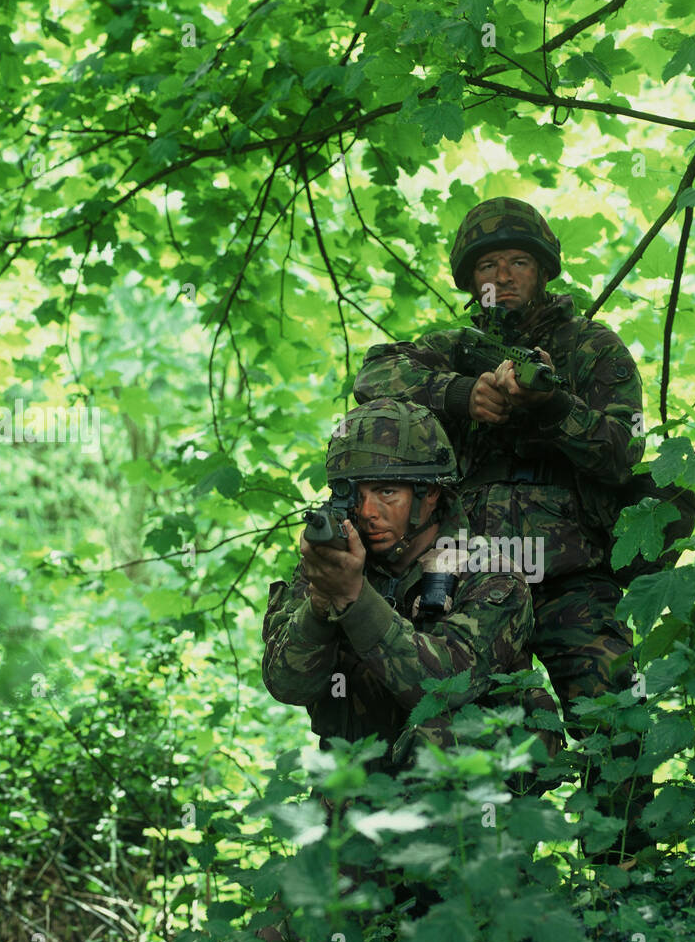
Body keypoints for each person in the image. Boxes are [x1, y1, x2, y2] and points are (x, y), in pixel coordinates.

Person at [353, 197, 653, 858]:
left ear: (543, 270)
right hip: (473, 586)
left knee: (616, 718)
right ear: (470, 280)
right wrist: (461, 394)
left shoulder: (591, 349)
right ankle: (473, 883)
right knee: (455, 722)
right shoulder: (449, 350)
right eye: (488, 264)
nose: (505, 275)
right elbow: (373, 378)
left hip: (572, 577)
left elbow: (619, 449)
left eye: (519, 260)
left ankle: (626, 877)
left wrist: (550, 408)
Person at [261, 396, 558, 780]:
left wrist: (354, 597)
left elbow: (442, 688)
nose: (368, 512)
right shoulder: (336, 568)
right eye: (356, 494)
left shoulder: (491, 575)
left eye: (387, 492)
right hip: (355, 801)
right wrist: (320, 601)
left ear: (429, 495)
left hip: (466, 811)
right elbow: (288, 685)